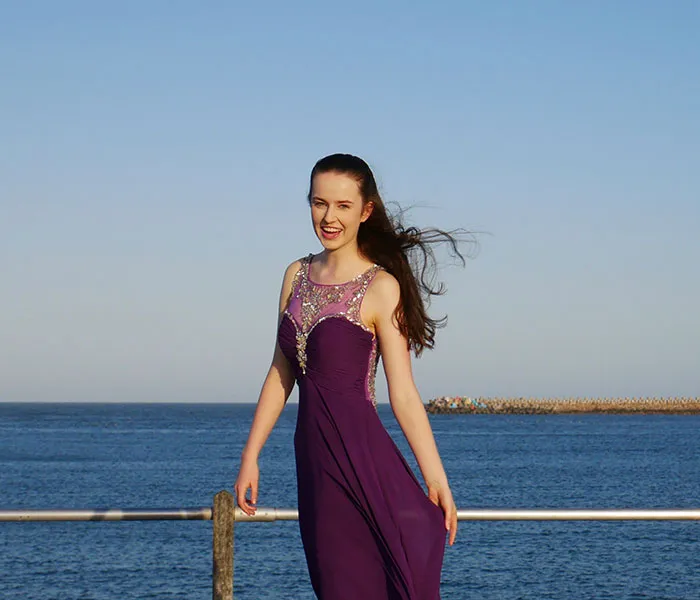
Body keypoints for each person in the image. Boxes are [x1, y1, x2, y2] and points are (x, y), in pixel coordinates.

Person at [234, 153, 464, 599]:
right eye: (319, 203)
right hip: (315, 464)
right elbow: (281, 371)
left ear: (366, 210)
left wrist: (436, 480)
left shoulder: (381, 288)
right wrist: (251, 455)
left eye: (342, 205)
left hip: (364, 459)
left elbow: (404, 396)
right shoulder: (295, 275)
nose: (329, 217)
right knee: (335, 584)